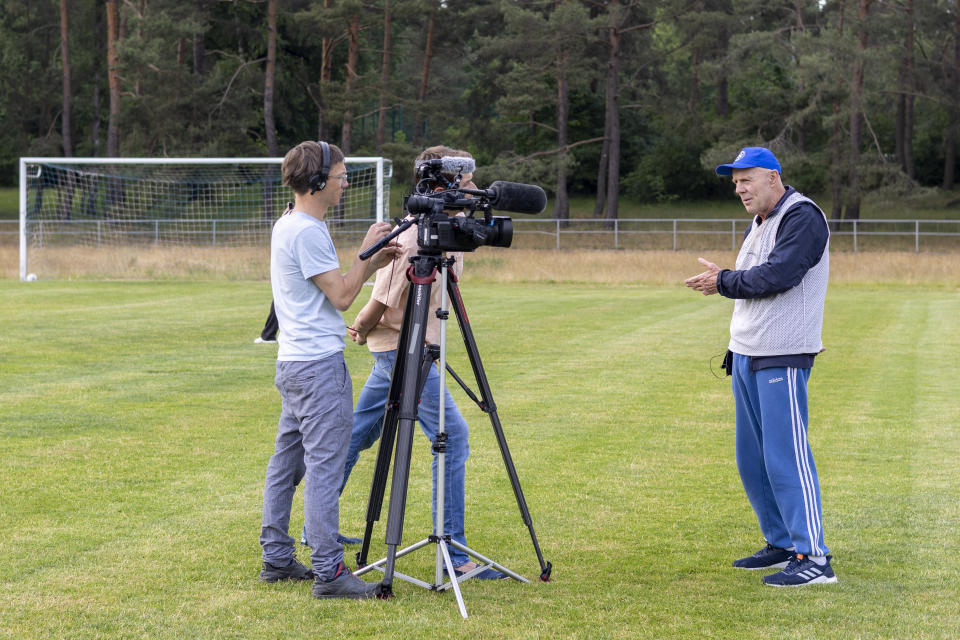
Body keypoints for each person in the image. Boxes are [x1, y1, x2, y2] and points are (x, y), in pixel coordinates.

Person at [341, 146, 506, 580]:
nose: (474, 189)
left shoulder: (449, 228)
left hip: (409, 347)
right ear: (443, 185)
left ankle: (311, 525)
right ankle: (454, 553)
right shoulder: (415, 235)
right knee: (453, 438)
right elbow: (384, 294)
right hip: (403, 348)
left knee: (359, 433)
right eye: (466, 182)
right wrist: (358, 327)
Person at [684, 147, 836, 587]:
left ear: (773, 177)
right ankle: (783, 542)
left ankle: (814, 557)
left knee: (787, 457)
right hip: (748, 352)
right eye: (734, 182)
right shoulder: (761, 221)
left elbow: (780, 274)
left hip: (782, 353)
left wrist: (723, 281)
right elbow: (757, 276)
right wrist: (726, 277)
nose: (739, 188)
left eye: (746, 179)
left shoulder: (802, 216)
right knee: (752, 460)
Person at [258, 140, 399, 600]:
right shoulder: (308, 232)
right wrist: (366, 257)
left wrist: (368, 260)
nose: (344, 184)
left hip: (293, 364)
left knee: (286, 463)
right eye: (339, 176)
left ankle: (277, 557)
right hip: (318, 368)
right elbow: (340, 297)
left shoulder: (288, 224)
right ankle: (328, 570)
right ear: (318, 181)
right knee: (324, 467)